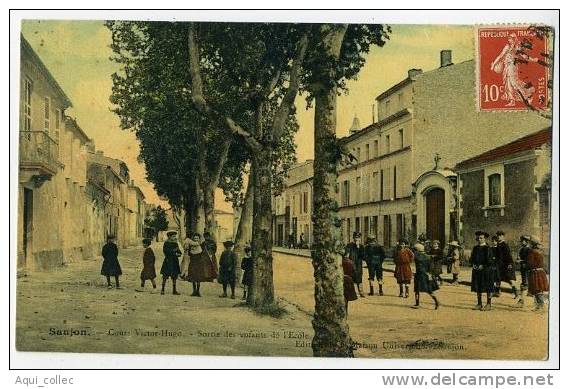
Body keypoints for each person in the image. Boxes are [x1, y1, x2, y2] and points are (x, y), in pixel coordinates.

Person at [470, 231, 495, 311]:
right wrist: (473, 264)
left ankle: (488, 304)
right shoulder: (475, 248)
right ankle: (479, 303)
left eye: (481, 238)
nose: (479, 239)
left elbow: (490, 260)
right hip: (477, 270)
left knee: (488, 286)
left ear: (485, 239)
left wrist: (483, 265)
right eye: (478, 238)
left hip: (486, 271)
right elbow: (472, 258)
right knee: (478, 286)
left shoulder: (488, 248)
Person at [412, 243, 440, 309]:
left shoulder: (416, 256)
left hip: (419, 274)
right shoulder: (428, 257)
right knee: (429, 290)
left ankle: (417, 303)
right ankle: (436, 301)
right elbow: (431, 267)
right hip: (426, 274)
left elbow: (413, 257)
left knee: (417, 289)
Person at [526, 237, 549, 312]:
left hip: (535, 273)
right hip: (540, 272)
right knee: (538, 289)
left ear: (532, 244)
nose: (528, 244)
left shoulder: (532, 252)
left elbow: (530, 263)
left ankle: (541, 306)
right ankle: (539, 306)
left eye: (529, 243)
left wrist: (523, 263)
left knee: (537, 289)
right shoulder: (539, 251)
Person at [494, 231, 517, 298]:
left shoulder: (505, 244)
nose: (499, 237)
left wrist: (509, 263)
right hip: (499, 265)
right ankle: (497, 292)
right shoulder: (498, 244)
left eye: (500, 236)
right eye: (498, 236)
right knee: (497, 278)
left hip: (505, 265)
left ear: (503, 236)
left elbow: (508, 255)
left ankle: (516, 293)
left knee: (509, 279)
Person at [160, 231, 182, 295]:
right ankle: (162, 289)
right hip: (168, 260)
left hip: (175, 261)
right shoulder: (166, 243)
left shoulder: (175, 244)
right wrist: (173, 251)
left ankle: (174, 290)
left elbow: (179, 252)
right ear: (169, 237)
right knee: (165, 275)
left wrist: (178, 254)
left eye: (175, 236)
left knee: (174, 276)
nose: (174, 237)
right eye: (173, 236)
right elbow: (165, 251)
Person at [345, 232, 366, 297]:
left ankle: (361, 292)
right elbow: (347, 255)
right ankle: (351, 293)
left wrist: (358, 247)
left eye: (358, 238)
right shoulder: (349, 245)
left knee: (359, 278)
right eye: (356, 238)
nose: (357, 239)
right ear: (353, 238)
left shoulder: (362, 247)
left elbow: (363, 256)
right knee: (350, 278)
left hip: (358, 265)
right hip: (351, 264)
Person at [188, 232, 207, 297]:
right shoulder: (191, 245)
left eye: (197, 238)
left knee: (198, 277)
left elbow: (203, 254)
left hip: (199, 263)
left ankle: (198, 291)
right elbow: (189, 254)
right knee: (193, 277)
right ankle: (194, 291)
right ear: (193, 238)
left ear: (199, 239)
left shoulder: (201, 245)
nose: (196, 239)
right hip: (193, 263)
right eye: (195, 238)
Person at [516, 235, 531, 307]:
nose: (521, 242)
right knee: (524, 283)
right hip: (523, 269)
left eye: (523, 241)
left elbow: (529, 261)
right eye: (521, 241)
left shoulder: (529, 250)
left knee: (525, 284)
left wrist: (520, 261)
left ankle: (522, 301)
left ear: (527, 242)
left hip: (527, 269)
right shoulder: (522, 249)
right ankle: (522, 301)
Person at [342, 250, 358, 316]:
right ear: (348, 254)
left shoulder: (340, 262)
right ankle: (345, 310)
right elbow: (354, 272)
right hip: (349, 279)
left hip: (341, 279)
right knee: (347, 297)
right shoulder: (351, 262)